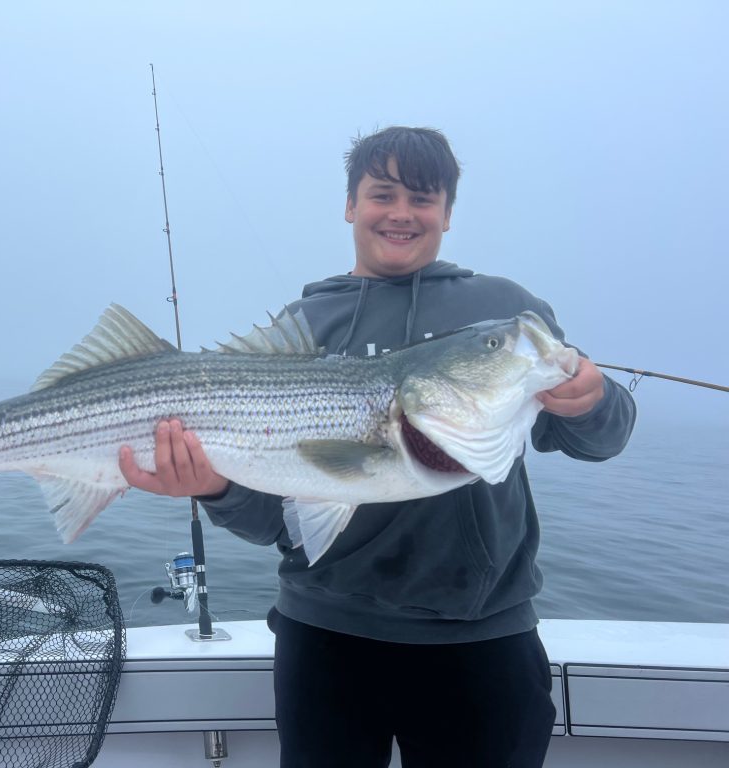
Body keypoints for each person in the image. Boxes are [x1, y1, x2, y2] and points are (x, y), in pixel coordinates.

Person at [118, 126, 636, 767]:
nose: (401, 213)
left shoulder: (506, 312)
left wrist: (592, 399)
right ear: (350, 205)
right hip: (325, 637)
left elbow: (601, 441)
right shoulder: (303, 326)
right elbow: (278, 524)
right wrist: (215, 489)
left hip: (483, 637)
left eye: (422, 197)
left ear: (448, 212)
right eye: (382, 194)